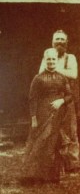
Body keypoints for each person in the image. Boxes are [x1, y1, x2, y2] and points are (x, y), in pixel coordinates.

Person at [20, 48, 73, 185]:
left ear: (56, 60)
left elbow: (70, 95)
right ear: (45, 60)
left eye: (53, 59)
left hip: (58, 114)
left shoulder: (62, 78)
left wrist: (61, 101)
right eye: (48, 59)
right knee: (40, 142)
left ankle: (52, 176)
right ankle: (33, 175)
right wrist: (33, 118)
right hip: (42, 114)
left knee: (54, 143)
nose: (51, 61)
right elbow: (32, 99)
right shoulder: (38, 78)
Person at [39, 30, 80, 173]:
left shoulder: (71, 58)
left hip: (67, 100)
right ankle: (56, 164)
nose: (60, 42)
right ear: (52, 42)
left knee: (71, 131)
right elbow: (40, 75)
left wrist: (54, 69)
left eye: (63, 39)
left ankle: (73, 164)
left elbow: (73, 74)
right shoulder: (47, 56)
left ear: (67, 42)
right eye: (57, 39)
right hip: (51, 100)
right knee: (53, 132)